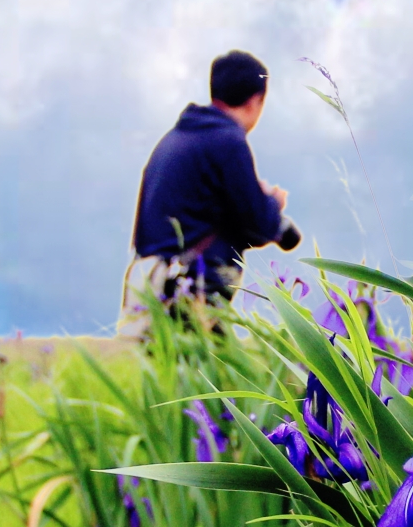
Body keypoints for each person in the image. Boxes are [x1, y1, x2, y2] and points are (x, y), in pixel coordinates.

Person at [117, 50, 299, 336]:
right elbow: (257, 223)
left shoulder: (175, 138)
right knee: (214, 375)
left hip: (150, 282)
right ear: (255, 101)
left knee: (166, 375)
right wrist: (272, 204)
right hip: (191, 289)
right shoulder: (229, 141)